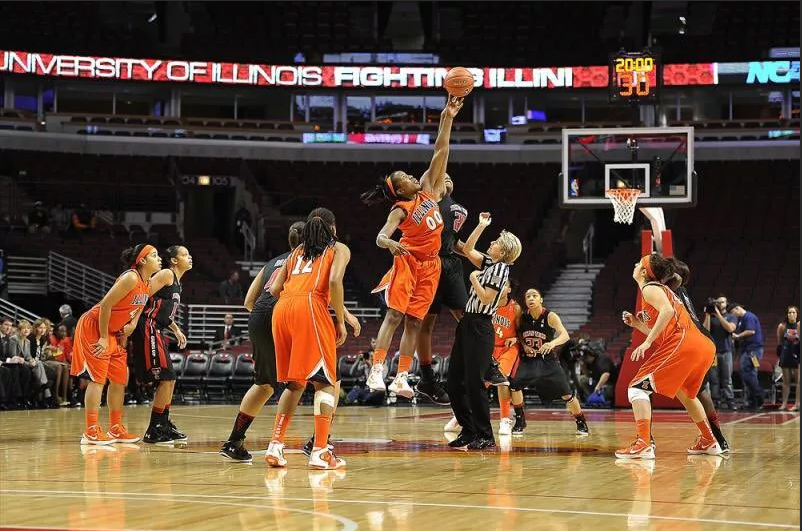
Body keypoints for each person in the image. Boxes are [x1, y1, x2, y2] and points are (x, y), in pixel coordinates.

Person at [361, 96, 464, 399]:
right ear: (400, 191)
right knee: (394, 316)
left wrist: (448, 116)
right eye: (403, 178)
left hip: (431, 266)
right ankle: (377, 369)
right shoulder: (401, 209)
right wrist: (390, 243)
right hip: (408, 262)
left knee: (415, 322)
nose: (409, 176)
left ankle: (402, 377)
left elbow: (441, 150)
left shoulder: (429, 190)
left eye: (407, 174)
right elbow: (381, 236)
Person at [264, 208, 359, 470]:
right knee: (326, 383)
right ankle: (320, 451)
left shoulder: (297, 252)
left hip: (282, 309)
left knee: (295, 384)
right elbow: (336, 281)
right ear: (333, 227)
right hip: (310, 308)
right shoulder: (338, 248)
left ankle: (275, 446)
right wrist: (339, 320)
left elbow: (273, 289)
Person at [617, 254, 721, 459]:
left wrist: (646, 343)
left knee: (636, 387)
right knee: (686, 394)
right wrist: (637, 325)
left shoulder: (650, 288)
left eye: (639, 263)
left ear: (645, 272)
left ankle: (644, 443)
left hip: (687, 342)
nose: (635, 264)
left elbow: (666, 312)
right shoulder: (660, 291)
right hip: (702, 345)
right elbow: (665, 330)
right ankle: (709, 440)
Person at [220, 222, 305, 462]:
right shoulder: (308, 260)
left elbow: (249, 300)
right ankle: (312, 442)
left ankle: (234, 441)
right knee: (306, 381)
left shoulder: (271, 263)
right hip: (283, 316)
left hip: (258, 315)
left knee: (264, 384)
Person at [70, 244, 161, 445]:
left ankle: (115, 428)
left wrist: (132, 325)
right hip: (95, 327)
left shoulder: (146, 283)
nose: (159, 258)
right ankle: (91, 431)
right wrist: (103, 336)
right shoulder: (131, 277)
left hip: (114, 332)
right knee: (98, 380)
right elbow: (105, 305)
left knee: (120, 379)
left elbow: (137, 307)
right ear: (142, 260)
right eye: (154, 255)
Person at [446, 212, 522, 450]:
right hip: (468, 322)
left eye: (496, 242)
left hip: (481, 324)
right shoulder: (490, 263)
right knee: (453, 382)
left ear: (504, 251)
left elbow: (487, 297)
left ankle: (485, 435)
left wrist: (473, 279)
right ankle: (468, 430)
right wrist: (480, 225)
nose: (491, 243)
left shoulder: (501, 270)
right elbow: (468, 249)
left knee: (473, 382)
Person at [662, 257, 730, 453]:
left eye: (668, 271)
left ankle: (711, 440)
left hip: (692, 341)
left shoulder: (671, 291)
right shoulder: (681, 292)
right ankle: (717, 439)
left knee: (686, 392)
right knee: (700, 392)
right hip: (703, 339)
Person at [415, 173, 469, 406]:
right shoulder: (426, 203)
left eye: (450, 176)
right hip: (429, 264)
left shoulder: (457, 207)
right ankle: (427, 378)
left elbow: (453, 240)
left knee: (468, 320)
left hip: (451, 264)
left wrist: (475, 255)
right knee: (426, 323)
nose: (446, 178)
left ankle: (485, 363)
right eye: (441, 176)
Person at [130, 245, 193, 444]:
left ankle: (163, 424)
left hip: (157, 328)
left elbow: (162, 310)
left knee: (170, 379)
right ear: (174, 260)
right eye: (184, 254)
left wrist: (175, 329)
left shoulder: (177, 283)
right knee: (166, 378)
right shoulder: (166, 274)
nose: (189, 257)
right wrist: (131, 322)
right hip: (147, 326)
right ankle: (154, 429)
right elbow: (141, 294)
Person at [508, 288, 590, 437]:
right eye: (528, 296)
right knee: (514, 386)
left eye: (534, 295)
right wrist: (524, 345)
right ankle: (520, 420)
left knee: (567, 394)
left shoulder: (549, 316)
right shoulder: (523, 316)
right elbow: (518, 333)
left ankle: (581, 421)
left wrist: (552, 344)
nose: (531, 298)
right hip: (529, 360)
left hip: (548, 361)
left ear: (541, 300)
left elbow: (564, 335)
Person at [702, 295, 738, 410]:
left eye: (722, 302)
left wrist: (718, 314)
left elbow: (730, 329)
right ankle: (716, 400)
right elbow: (705, 331)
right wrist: (707, 314)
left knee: (727, 379)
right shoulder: (711, 317)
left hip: (726, 351)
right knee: (714, 379)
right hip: (714, 353)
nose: (720, 304)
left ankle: (730, 401)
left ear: (726, 304)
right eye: (718, 302)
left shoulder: (731, 316)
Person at [728, 303, 765, 410]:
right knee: (749, 374)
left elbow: (751, 331)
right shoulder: (742, 319)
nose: (733, 315)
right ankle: (754, 401)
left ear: (737, 308)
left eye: (733, 313)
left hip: (752, 350)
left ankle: (759, 396)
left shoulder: (748, 316)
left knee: (747, 373)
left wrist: (738, 336)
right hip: (747, 350)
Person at [777, 306, 800, 411]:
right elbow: (780, 342)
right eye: (789, 312)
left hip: (797, 355)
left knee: (798, 381)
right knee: (786, 382)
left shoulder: (799, 325)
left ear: (797, 314)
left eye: (793, 312)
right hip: (786, 354)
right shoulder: (782, 326)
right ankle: (784, 403)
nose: (791, 314)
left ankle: (797, 404)